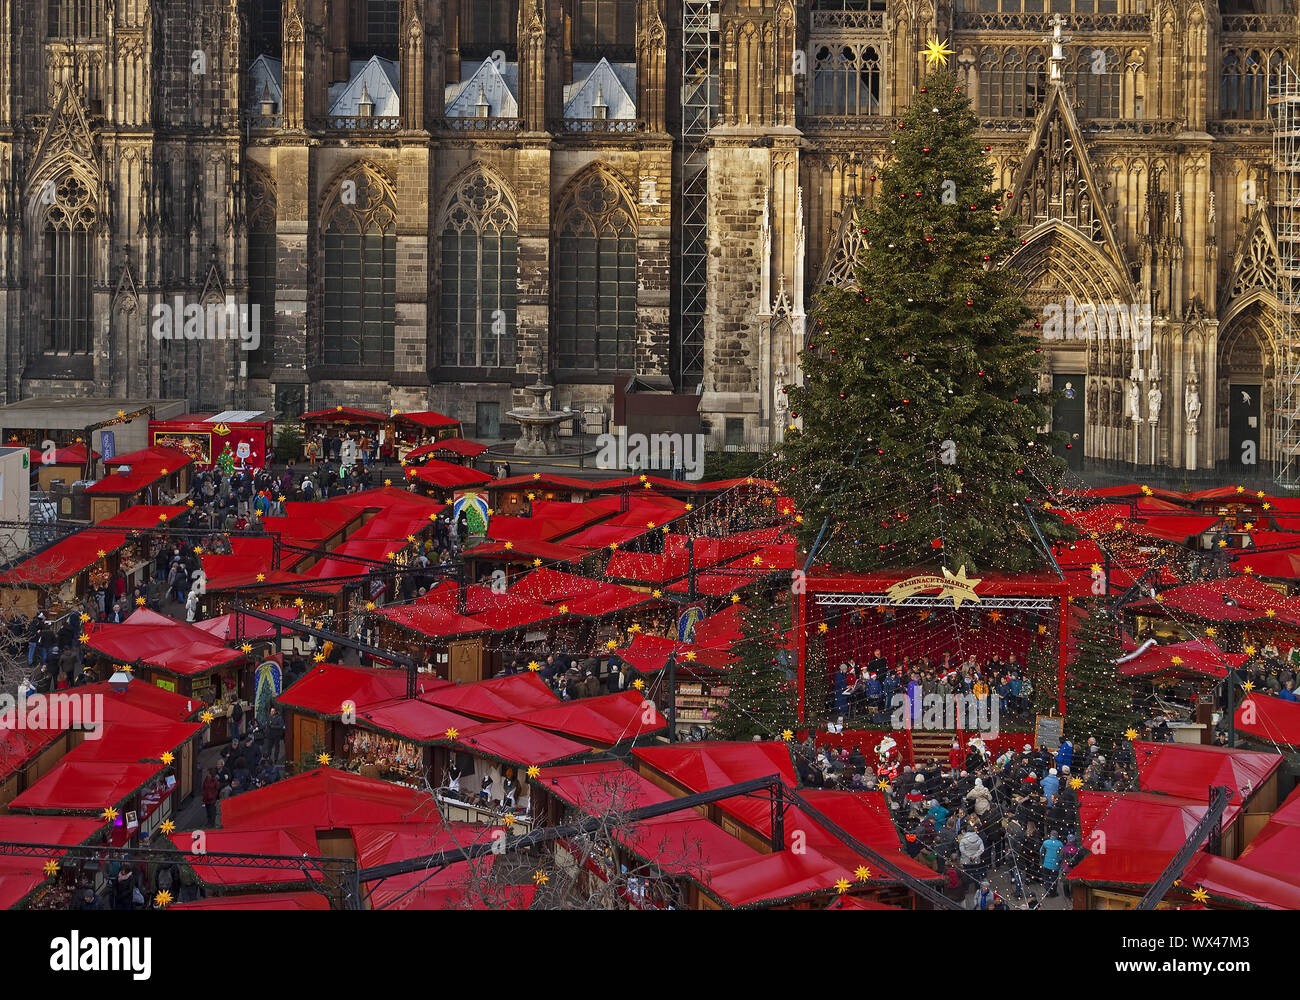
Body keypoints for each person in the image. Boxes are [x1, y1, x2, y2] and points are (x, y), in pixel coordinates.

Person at [1040, 829, 1065, 897]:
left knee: (1046, 878)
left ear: (1050, 835)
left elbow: (1041, 852)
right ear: (1057, 836)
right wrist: (1059, 862)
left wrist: (1042, 861)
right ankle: (1053, 892)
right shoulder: (1060, 844)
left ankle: (1047, 891)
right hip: (1055, 865)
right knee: (1054, 879)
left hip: (1046, 864)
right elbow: (1061, 855)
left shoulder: (1045, 842)